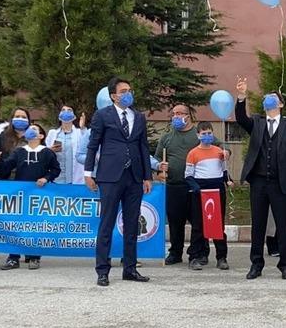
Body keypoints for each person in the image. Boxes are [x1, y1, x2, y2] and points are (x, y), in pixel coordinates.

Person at [84, 77, 153, 286]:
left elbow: (143, 147)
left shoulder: (138, 117)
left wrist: (147, 176)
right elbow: (93, 145)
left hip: (134, 177)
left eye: (129, 90)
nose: (127, 94)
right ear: (113, 95)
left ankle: (130, 269)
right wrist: (88, 172)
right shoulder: (102, 115)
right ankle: (102, 270)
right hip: (109, 176)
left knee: (132, 224)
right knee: (106, 224)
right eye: (123, 91)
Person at [234, 77, 286, 280]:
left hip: (281, 182)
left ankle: (285, 265)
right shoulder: (257, 122)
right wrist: (241, 96)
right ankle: (256, 264)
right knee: (258, 224)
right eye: (267, 98)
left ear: (281, 104)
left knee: (283, 225)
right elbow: (240, 119)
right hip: (259, 181)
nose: (269, 101)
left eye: (273, 99)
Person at [0, 123, 60, 270]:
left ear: (41, 136)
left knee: (35, 226)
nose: (30, 131)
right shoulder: (19, 152)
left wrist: (46, 178)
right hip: (20, 196)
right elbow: (4, 170)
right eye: (29, 129)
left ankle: (34, 257)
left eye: (35, 129)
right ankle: (13, 258)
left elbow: (56, 170)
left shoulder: (47, 152)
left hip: (39, 197)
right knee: (16, 226)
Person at [154, 103, 200, 266]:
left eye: (180, 113)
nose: (176, 116)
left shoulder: (198, 135)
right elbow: (157, 159)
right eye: (174, 114)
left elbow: (217, 146)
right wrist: (159, 171)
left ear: (188, 116)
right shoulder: (166, 137)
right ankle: (175, 253)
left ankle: (196, 254)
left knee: (197, 222)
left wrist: (225, 152)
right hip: (173, 185)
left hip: (195, 186)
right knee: (175, 222)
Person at [184, 121, 230, 271]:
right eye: (204, 134)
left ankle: (221, 257)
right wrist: (196, 189)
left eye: (209, 133)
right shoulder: (193, 153)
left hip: (217, 191)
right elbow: (188, 176)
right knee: (198, 226)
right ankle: (194, 257)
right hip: (200, 192)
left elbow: (224, 171)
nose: (207, 136)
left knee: (218, 225)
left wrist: (227, 181)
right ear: (198, 135)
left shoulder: (219, 151)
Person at [47, 104, 87, 185]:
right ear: (59, 115)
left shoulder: (80, 133)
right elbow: (46, 154)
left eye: (69, 110)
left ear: (74, 116)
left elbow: (87, 145)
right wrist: (50, 150)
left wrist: (82, 128)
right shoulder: (53, 133)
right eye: (63, 110)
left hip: (75, 179)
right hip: (56, 179)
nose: (66, 112)